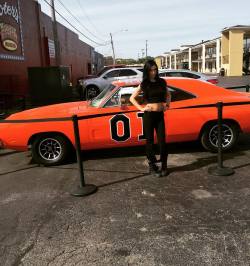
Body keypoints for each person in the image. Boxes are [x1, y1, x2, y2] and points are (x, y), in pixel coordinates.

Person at [129, 60, 171, 177]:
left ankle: (164, 165)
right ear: (147, 71)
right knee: (150, 142)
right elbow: (132, 98)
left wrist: (167, 105)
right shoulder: (144, 84)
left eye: (155, 69)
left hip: (159, 115)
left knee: (162, 141)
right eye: (151, 70)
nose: (154, 72)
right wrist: (141, 108)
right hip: (149, 116)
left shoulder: (162, 82)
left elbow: (168, 95)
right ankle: (152, 166)